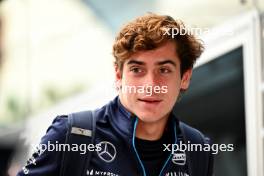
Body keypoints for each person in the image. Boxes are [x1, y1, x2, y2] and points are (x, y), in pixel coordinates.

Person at [17, 13, 214, 176]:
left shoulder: (197, 149)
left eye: (164, 70)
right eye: (137, 70)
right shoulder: (72, 135)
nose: (151, 86)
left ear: (185, 78)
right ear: (119, 75)